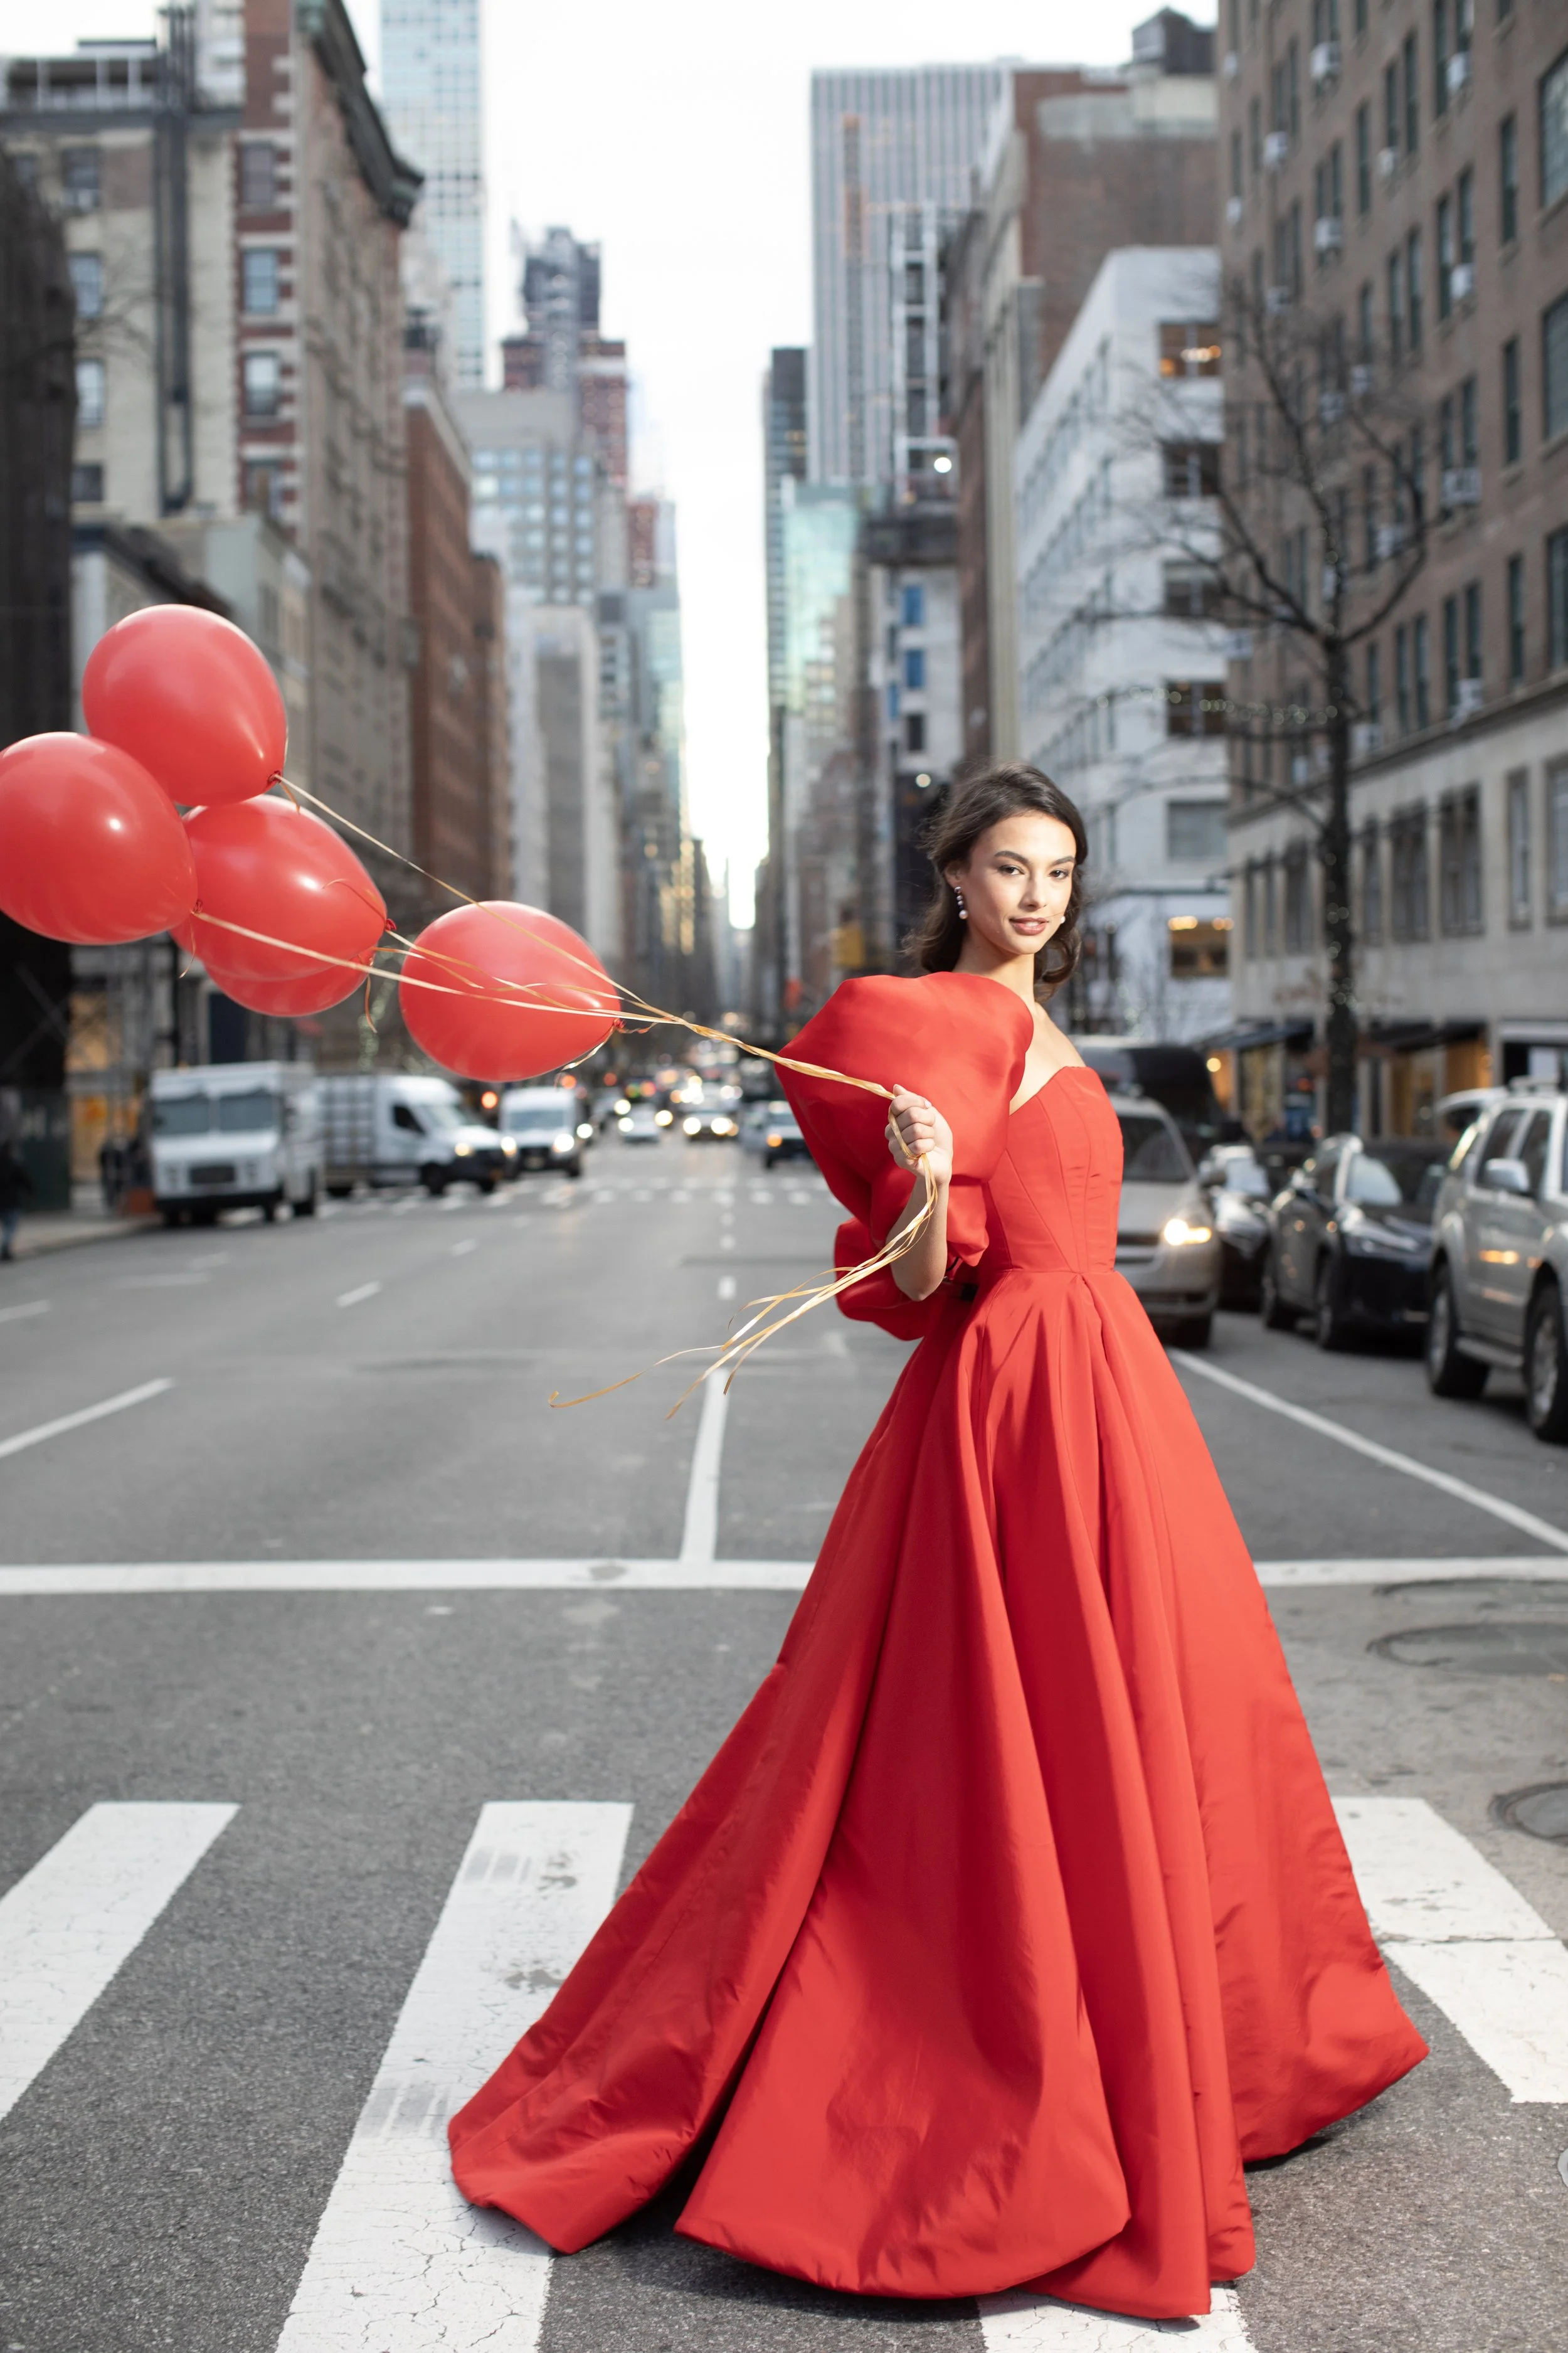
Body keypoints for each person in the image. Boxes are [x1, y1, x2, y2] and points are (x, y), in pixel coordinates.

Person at [449, 763, 1424, 2321]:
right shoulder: (917, 1023)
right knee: (985, 1739)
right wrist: (914, 1170)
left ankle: (1192, 2054)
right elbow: (918, 1282)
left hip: (1116, 1396)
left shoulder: (1058, 1033)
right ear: (956, 876)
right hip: (1007, 1407)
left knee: (1166, 1715)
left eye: (1059, 869)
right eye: (1009, 867)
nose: (1037, 894)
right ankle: (967, 2074)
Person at [0, 1139, 32, 1262]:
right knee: (11, 1227)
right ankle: (6, 1247)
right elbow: (25, 1181)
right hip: (13, 1201)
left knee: (6, 1226)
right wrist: (30, 1193)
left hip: (2, 1202)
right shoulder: (15, 1164)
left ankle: (5, 1245)